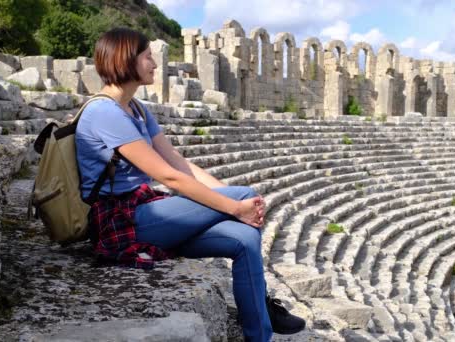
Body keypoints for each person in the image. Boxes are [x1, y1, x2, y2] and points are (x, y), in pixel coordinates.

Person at [75, 27, 305, 341]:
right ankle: (261, 307)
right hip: (122, 222)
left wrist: (229, 198)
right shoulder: (104, 112)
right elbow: (168, 177)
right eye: (147, 56)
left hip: (147, 210)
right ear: (125, 59)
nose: (155, 64)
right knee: (244, 200)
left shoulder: (137, 110)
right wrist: (234, 204)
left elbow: (179, 163)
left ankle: (260, 332)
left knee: (244, 238)